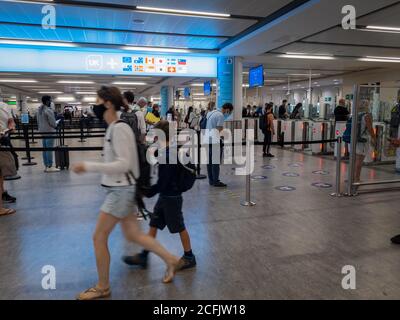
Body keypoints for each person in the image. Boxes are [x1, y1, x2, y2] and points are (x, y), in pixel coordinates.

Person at [72, 86, 179, 300]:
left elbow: (124, 164)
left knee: (99, 237)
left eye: (98, 100)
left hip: (120, 191)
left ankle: (103, 287)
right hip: (122, 188)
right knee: (134, 235)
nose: (96, 105)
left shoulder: (119, 128)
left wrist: (88, 166)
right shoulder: (114, 127)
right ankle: (171, 259)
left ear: (108, 103)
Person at [123, 120, 196, 270]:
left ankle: (189, 256)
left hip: (172, 198)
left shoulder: (167, 155)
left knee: (180, 227)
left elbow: (163, 183)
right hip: (166, 196)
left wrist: (146, 193)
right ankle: (144, 255)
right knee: (154, 224)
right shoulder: (171, 150)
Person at [205, 103, 233, 187]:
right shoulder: (220, 115)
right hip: (214, 141)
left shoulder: (212, 112)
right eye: (230, 112)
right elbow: (219, 130)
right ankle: (216, 181)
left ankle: (211, 180)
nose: (229, 113)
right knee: (215, 162)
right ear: (227, 109)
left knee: (209, 162)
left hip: (207, 139)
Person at [354, 101, 376, 184]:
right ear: (366, 106)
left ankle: (354, 177)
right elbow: (370, 129)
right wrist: (374, 138)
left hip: (356, 140)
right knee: (360, 160)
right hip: (363, 140)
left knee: (356, 159)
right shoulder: (366, 116)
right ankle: (357, 178)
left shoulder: (356, 115)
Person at [0, 99, 17, 204]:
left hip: (3, 140)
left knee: (3, 169)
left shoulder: (4, 106)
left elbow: (10, 121)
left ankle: (2, 193)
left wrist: (11, 127)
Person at [37, 96, 60, 173]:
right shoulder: (48, 110)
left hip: (42, 132)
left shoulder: (39, 110)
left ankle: (46, 165)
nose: (51, 102)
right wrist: (56, 124)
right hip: (49, 131)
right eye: (50, 101)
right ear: (47, 101)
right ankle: (50, 166)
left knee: (45, 149)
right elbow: (53, 123)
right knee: (49, 149)